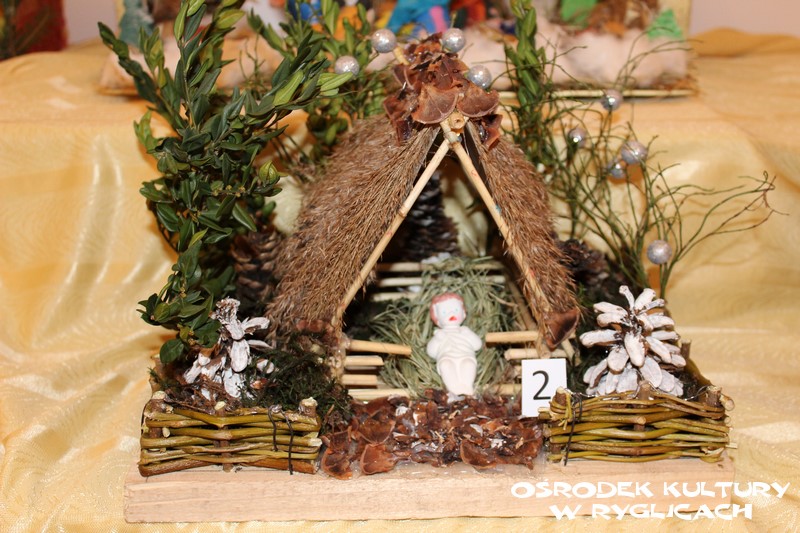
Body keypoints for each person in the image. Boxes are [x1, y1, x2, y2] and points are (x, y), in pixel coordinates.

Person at [426, 292, 482, 401]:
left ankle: (467, 388)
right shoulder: (440, 334)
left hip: (466, 356)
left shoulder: (464, 331)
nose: (451, 313)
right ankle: (453, 390)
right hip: (447, 357)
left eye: (456, 310)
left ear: (463, 314)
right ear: (437, 319)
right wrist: (437, 339)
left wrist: (469, 334)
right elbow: (431, 352)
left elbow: (477, 345)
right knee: (446, 366)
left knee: (469, 365)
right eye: (444, 312)